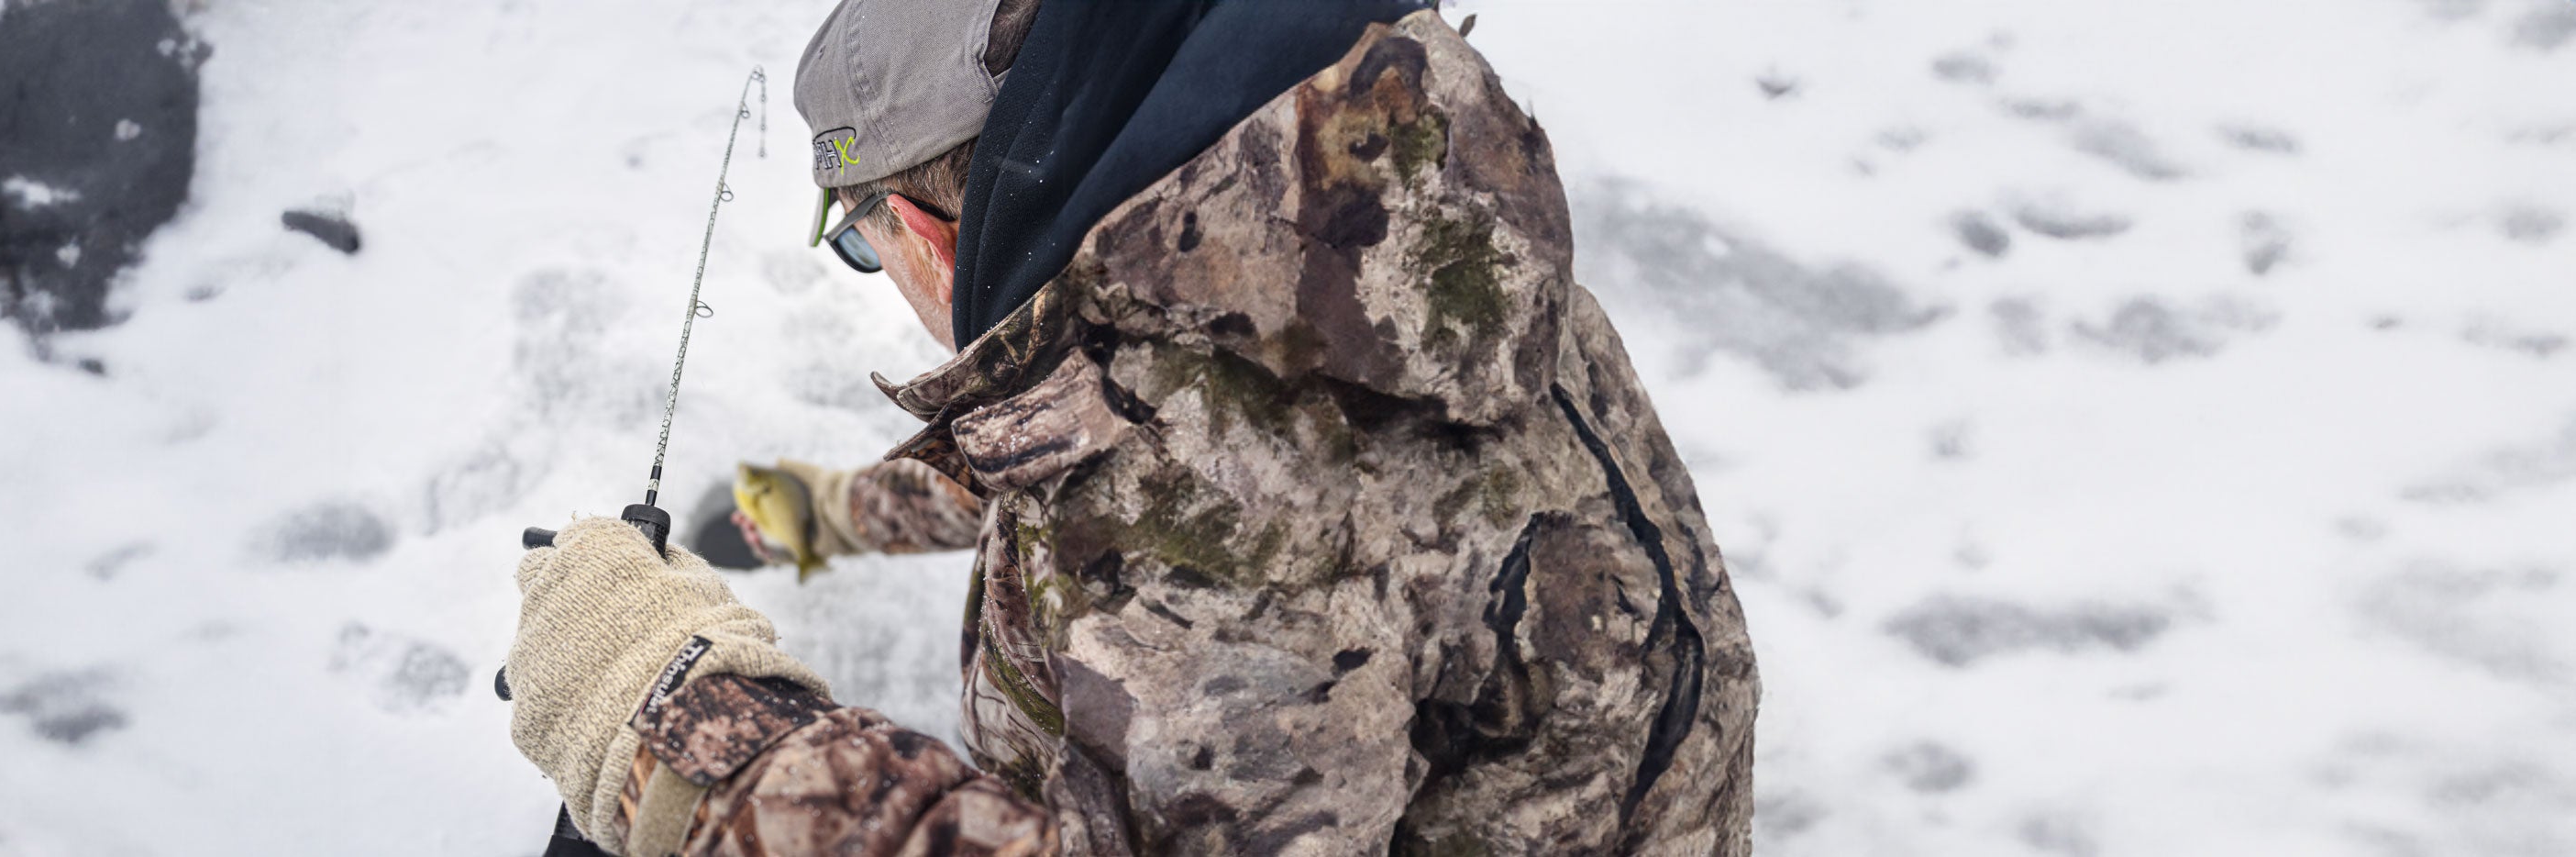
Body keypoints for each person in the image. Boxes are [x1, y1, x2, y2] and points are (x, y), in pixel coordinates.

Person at [503, 2, 1761, 854]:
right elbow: (1180, 449)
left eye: (862, 242)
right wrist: (828, 516)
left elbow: (1202, 509)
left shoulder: (1192, 517)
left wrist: (693, 740)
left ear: (929, 232)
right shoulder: (1366, 241)